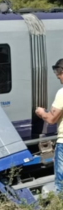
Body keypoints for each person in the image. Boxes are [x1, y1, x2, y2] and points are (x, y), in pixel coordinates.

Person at [35, 58, 63, 192]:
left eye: (59, 72)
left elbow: (51, 119)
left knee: (61, 183)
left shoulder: (62, 93)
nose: (58, 76)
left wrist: (41, 112)